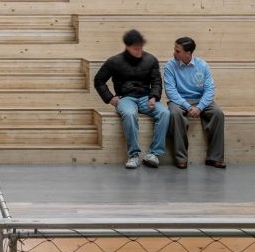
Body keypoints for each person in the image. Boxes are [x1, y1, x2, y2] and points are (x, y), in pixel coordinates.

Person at [94, 29, 170, 169]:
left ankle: (154, 154)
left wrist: (154, 96)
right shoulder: (114, 61)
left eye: (140, 47)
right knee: (129, 114)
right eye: (135, 48)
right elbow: (99, 80)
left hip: (146, 98)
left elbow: (156, 82)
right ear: (127, 47)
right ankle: (134, 156)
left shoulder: (151, 60)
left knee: (165, 113)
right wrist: (110, 98)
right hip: (125, 98)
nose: (139, 50)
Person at [164, 37, 226, 169]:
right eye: (174, 49)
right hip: (179, 100)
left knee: (218, 114)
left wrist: (200, 107)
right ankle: (181, 158)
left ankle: (215, 158)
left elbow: (209, 90)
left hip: (200, 99)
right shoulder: (170, 66)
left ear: (188, 53)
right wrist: (188, 107)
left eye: (177, 51)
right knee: (175, 114)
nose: (174, 53)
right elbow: (171, 92)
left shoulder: (202, 65)